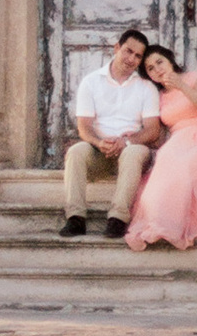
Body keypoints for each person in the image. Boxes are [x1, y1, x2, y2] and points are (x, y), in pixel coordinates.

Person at [61, 27, 165, 236]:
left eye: (138, 56)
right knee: (76, 151)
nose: (131, 59)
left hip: (132, 152)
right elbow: (84, 127)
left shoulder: (146, 87)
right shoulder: (91, 82)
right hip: (101, 150)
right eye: (128, 51)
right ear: (116, 48)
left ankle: (118, 218)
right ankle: (75, 218)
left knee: (133, 151)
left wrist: (126, 142)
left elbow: (152, 130)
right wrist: (99, 143)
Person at [124, 45, 197, 250]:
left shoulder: (195, 77)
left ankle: (171, 226)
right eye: (150, 68)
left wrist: (181, 86)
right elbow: (158, 136)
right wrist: (132, 137)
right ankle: (158, 224)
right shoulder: (158, 97)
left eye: (159, 62)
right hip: (177, 141)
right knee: (164, 160)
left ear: (170, 60)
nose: (157, 69)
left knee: (180, 165)